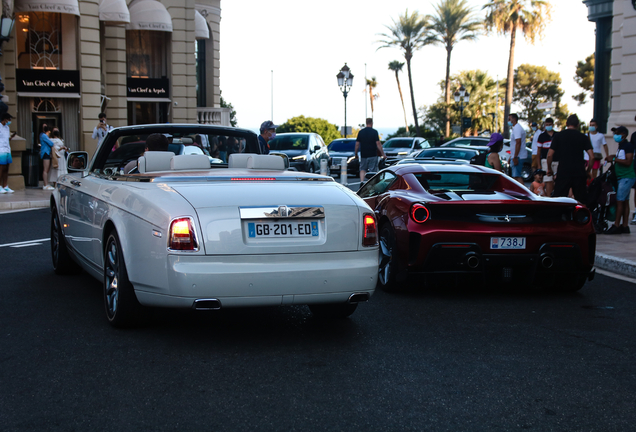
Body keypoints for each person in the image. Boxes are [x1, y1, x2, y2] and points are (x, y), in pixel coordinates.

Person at [546, 114, 593, 204]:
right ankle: (580, 216)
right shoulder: (583, 137)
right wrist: (587, 171)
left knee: (559, 200)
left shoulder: (559, 136)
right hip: (579, 171)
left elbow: (549, 155)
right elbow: (592, 156)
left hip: (563, 171)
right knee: (581, 199)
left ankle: (559, 216)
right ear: (578, 125)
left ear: (566, 124)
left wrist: (549, 168)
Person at [604, 126, 635, 234]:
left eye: (617, 133)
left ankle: (616, 225)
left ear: (623, 135)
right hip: (622, 177)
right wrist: (613, 157)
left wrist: (613, 159)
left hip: (626, 177)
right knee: (625, 201)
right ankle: (625, 225)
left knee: (620, 201)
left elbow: (628, 161)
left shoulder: (628, 146)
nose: (615, 136)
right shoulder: (621, 146)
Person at [355, 118, 386, 183]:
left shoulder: (361, 132)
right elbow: (378, 143)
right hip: (372, 154)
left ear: (366, 123)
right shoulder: (374, 132)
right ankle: (371, 183)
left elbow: (357, 144)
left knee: (363, 168)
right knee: (372, 169)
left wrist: (356, 154)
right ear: (372, 123)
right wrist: (383, 154)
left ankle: (362, 181)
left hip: (364, 154)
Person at [537, 118, 557, 197]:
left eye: (550, 125)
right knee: (548, 180)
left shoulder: (557, 135)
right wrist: (539, 165)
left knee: (556, 180)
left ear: (553, 125)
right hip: (545, 160)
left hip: (556, 160)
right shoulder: (542, 136)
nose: (548, 126)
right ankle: (549, 197)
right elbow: (538, 151)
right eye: (547, 125)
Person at [508, 113, 527, 184]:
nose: (508, 121)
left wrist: (515, 156)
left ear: (514, 119)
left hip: (518, 156)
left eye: (509, 119)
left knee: (517, 176)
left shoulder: (517, 128)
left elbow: (518, 142)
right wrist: (511, 156)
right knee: (515, 177)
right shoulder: (515, 128)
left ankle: (524, 193)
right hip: (516, 156)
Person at [0, 113, 15, 194]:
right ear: (4, 119)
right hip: (1, 149)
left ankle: (5, 186)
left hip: (7, 149)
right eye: (8, 119)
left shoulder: (7, 127)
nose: (9, 121)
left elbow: (7, 138)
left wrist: (11, 137)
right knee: (1, 168)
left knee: (6, 168)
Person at [40, 124, 55, 190]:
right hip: (45, 153)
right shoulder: (44, 135)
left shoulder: (43, 135)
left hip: (47, 153)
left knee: (47, 169)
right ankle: (45, 184)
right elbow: (51, 143)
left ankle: (46, 184)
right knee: (45, 170)